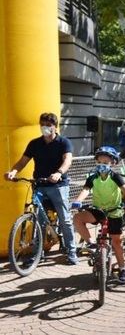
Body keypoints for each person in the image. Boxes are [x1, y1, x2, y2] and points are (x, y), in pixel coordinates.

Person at [4, 112, 78, 265]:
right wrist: (13, 171)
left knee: (65, 219)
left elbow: (68, 160)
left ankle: (71, 252)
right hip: (39, 185)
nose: (45, 128)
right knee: (38, 220)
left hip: (58, 185)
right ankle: (38, 253)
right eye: (42, 125)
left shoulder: (63, 142)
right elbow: (22, 161)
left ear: (55, 127)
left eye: (48, 125)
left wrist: (59, 173)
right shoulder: (34, 143)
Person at [72, 147, 125, 284]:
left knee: (116, 242)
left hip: (114, 211)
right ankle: (91, 244)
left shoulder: (116, 177)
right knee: (77, 218)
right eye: (100, 162)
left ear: (112, 163)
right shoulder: (92, 178)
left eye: (106, 162)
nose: (102, 165)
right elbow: (85, 190)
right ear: (96, 162)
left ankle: (122, 268)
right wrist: (78, 200)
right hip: (98, 210)